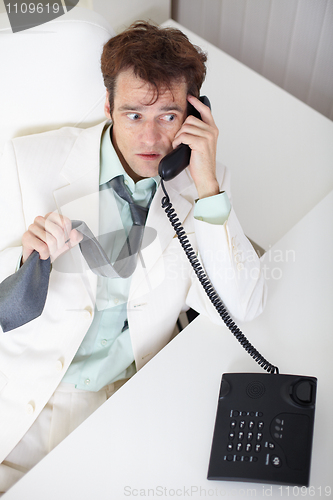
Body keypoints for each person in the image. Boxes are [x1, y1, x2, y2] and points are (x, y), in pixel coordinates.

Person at [0, 21, 266, 493]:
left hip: (127, 403)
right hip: (28, 401)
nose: (150, 138)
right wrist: (25, 262)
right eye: (133, 114)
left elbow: (242, 309)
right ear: (107, 107)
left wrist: (206, 187)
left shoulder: (205, 183)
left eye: (168, 116)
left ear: (194, 113)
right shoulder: (31, 164)